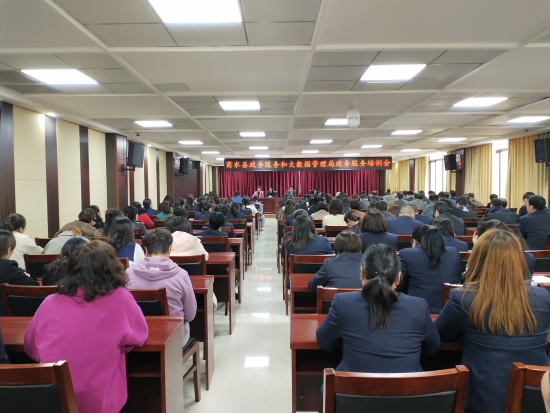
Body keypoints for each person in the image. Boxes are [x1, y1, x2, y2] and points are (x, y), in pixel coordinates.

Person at [23, 241, 148, 413]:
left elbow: (30, 346)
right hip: (97, 399)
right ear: (113, 268)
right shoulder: (121, 297)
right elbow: (139, 336)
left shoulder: (50, 301)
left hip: (52, 397)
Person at [435, 229, 550, 413]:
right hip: (537, 400)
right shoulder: (543, 297)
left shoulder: (465, 299)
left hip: (483, 402)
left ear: (478, 260)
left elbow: (438, 336)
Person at [316, 243, 440, 373]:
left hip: (353, 385)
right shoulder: (419, 306)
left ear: (361, 274)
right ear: (398, 278)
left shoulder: (343, 303)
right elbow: (433, 347)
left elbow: (324, 341)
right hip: (410, 386)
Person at [126, 228, 197, 346]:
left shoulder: (128, 274)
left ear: (146, 250)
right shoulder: (181, 275)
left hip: (136, 336)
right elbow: (190, 315)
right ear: (169, 249)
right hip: (173, 339)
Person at [398, 225, 461, 313]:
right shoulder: (454, 252)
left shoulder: (407, 254)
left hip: (417, 311)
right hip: (450, 311)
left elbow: (400, 285)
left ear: (415, 242)